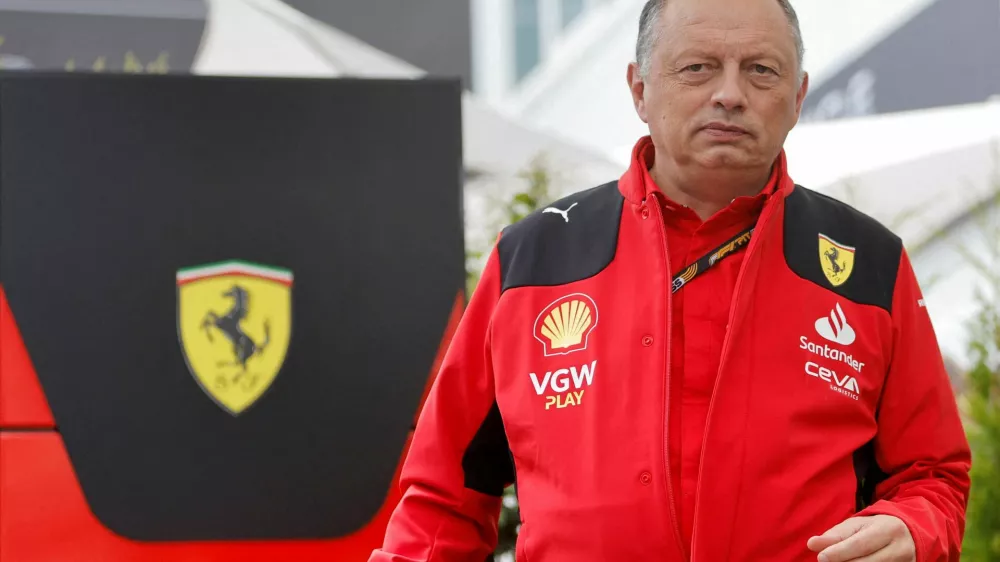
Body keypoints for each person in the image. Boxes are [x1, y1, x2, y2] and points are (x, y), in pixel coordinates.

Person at [370, 0, 971, 560]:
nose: (730, 94)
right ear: (639, 89)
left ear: (798, 96)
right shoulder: (533, 259)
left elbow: (935, 476)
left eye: (761, 70)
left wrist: (915, 526)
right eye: (698, 67)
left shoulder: (867, 264)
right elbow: (443, 499)